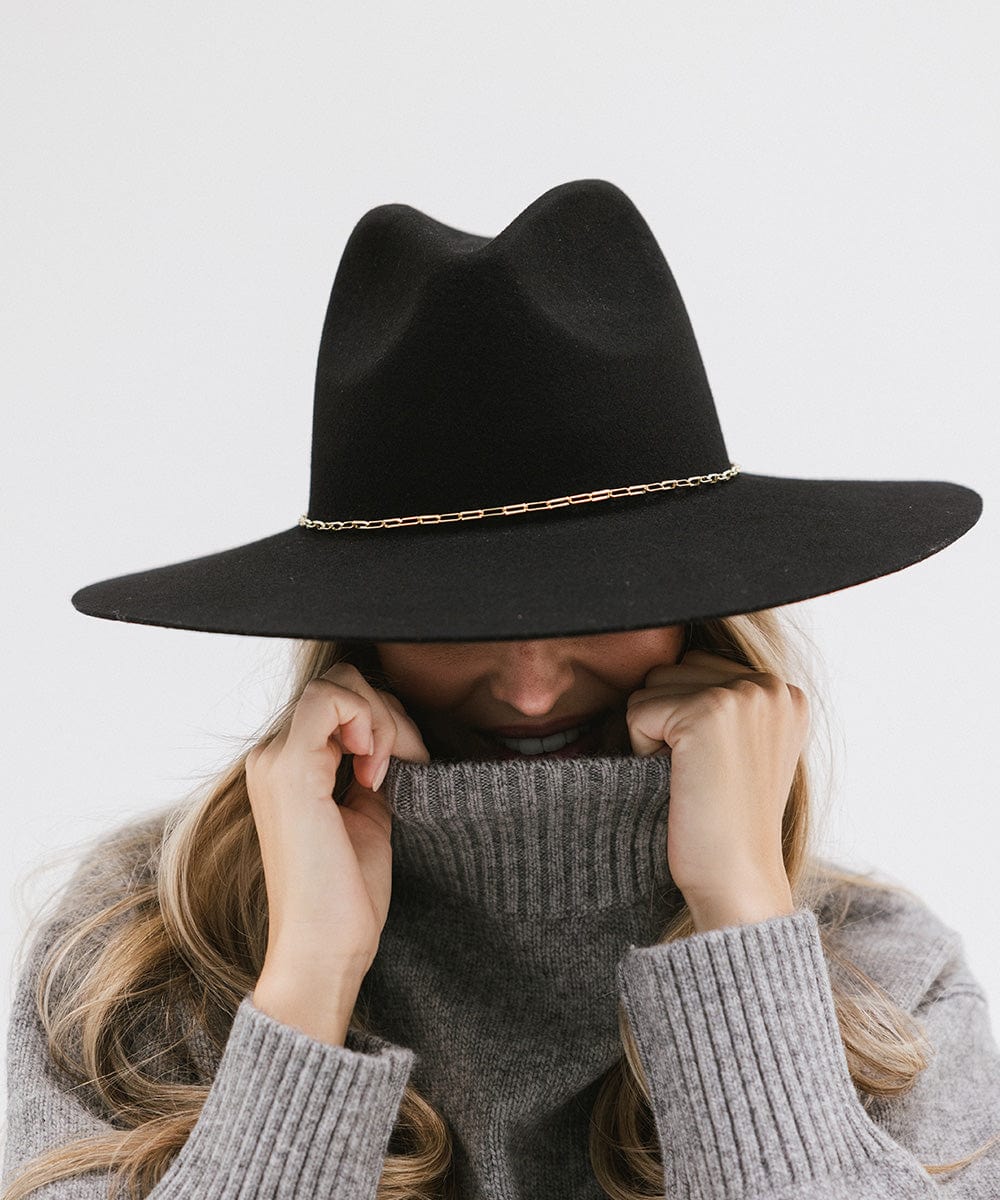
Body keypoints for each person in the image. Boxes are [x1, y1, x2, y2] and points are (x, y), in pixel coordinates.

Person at [3, 179, 998, 1200]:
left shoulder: (883, 980)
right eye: (457, 621)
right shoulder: (138, 956)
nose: (529, 689)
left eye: (598, 605)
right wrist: (307, 983)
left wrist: (741, 920)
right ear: (361, 633)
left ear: (701, 609)